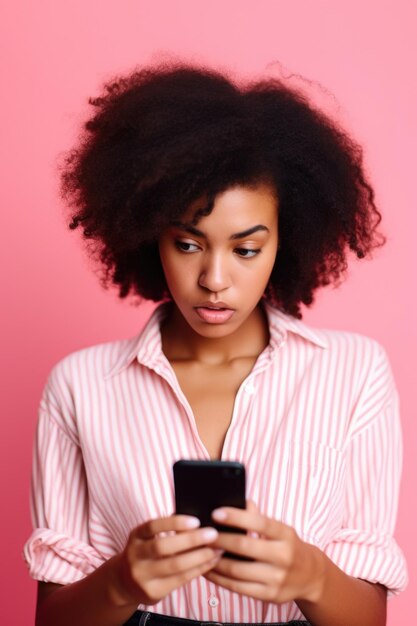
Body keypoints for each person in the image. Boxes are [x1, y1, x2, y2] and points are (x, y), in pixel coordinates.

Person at [24, 62, 408, 626]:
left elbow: (369, 620)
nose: (214, 279)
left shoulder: (354, 373)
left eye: (246, 249)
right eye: (187, 244)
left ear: (288, 240)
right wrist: (122, 580)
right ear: (148, 233)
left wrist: (311, 576)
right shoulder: (79, 386)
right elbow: (52, 620)